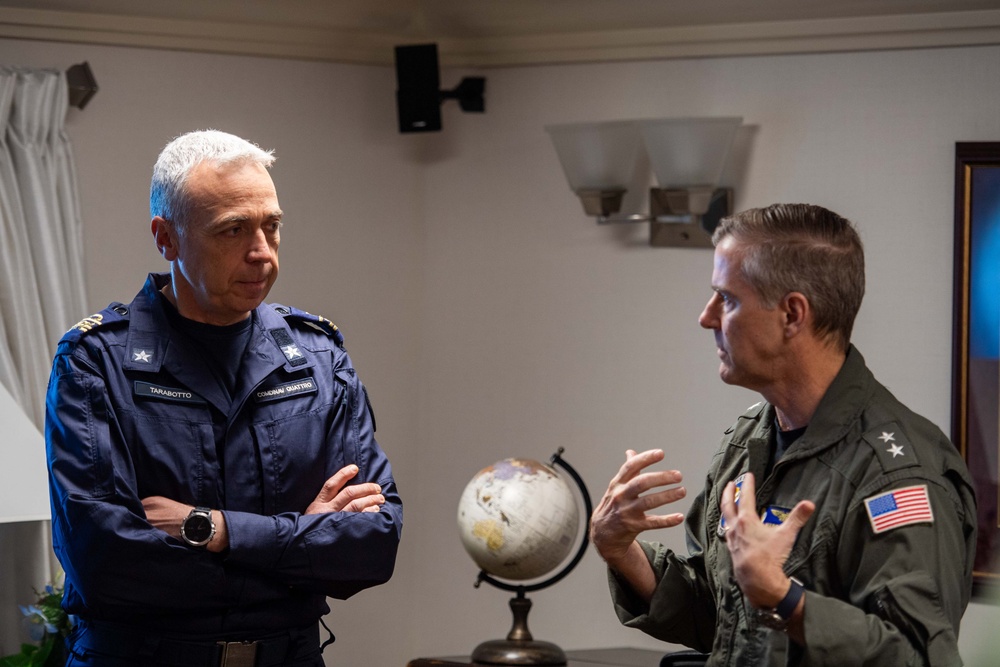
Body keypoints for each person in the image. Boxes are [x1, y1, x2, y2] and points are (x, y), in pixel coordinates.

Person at [45, 130, 403, 667]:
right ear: (166, 239)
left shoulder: (318, 355)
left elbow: (372, 545)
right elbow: (106, 563)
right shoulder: (96, 360)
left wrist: (211, 529)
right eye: (233, 230)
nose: (261, 252)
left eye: (272, 226)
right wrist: (299, 551)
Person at [590, 203, 976, 666]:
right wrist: (621, 551)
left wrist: (784, 599)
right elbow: (721, 620)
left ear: (792, 314)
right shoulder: (749, 440)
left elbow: (918, 657)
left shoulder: (898, 474)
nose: (706, 317)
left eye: (727, 299)